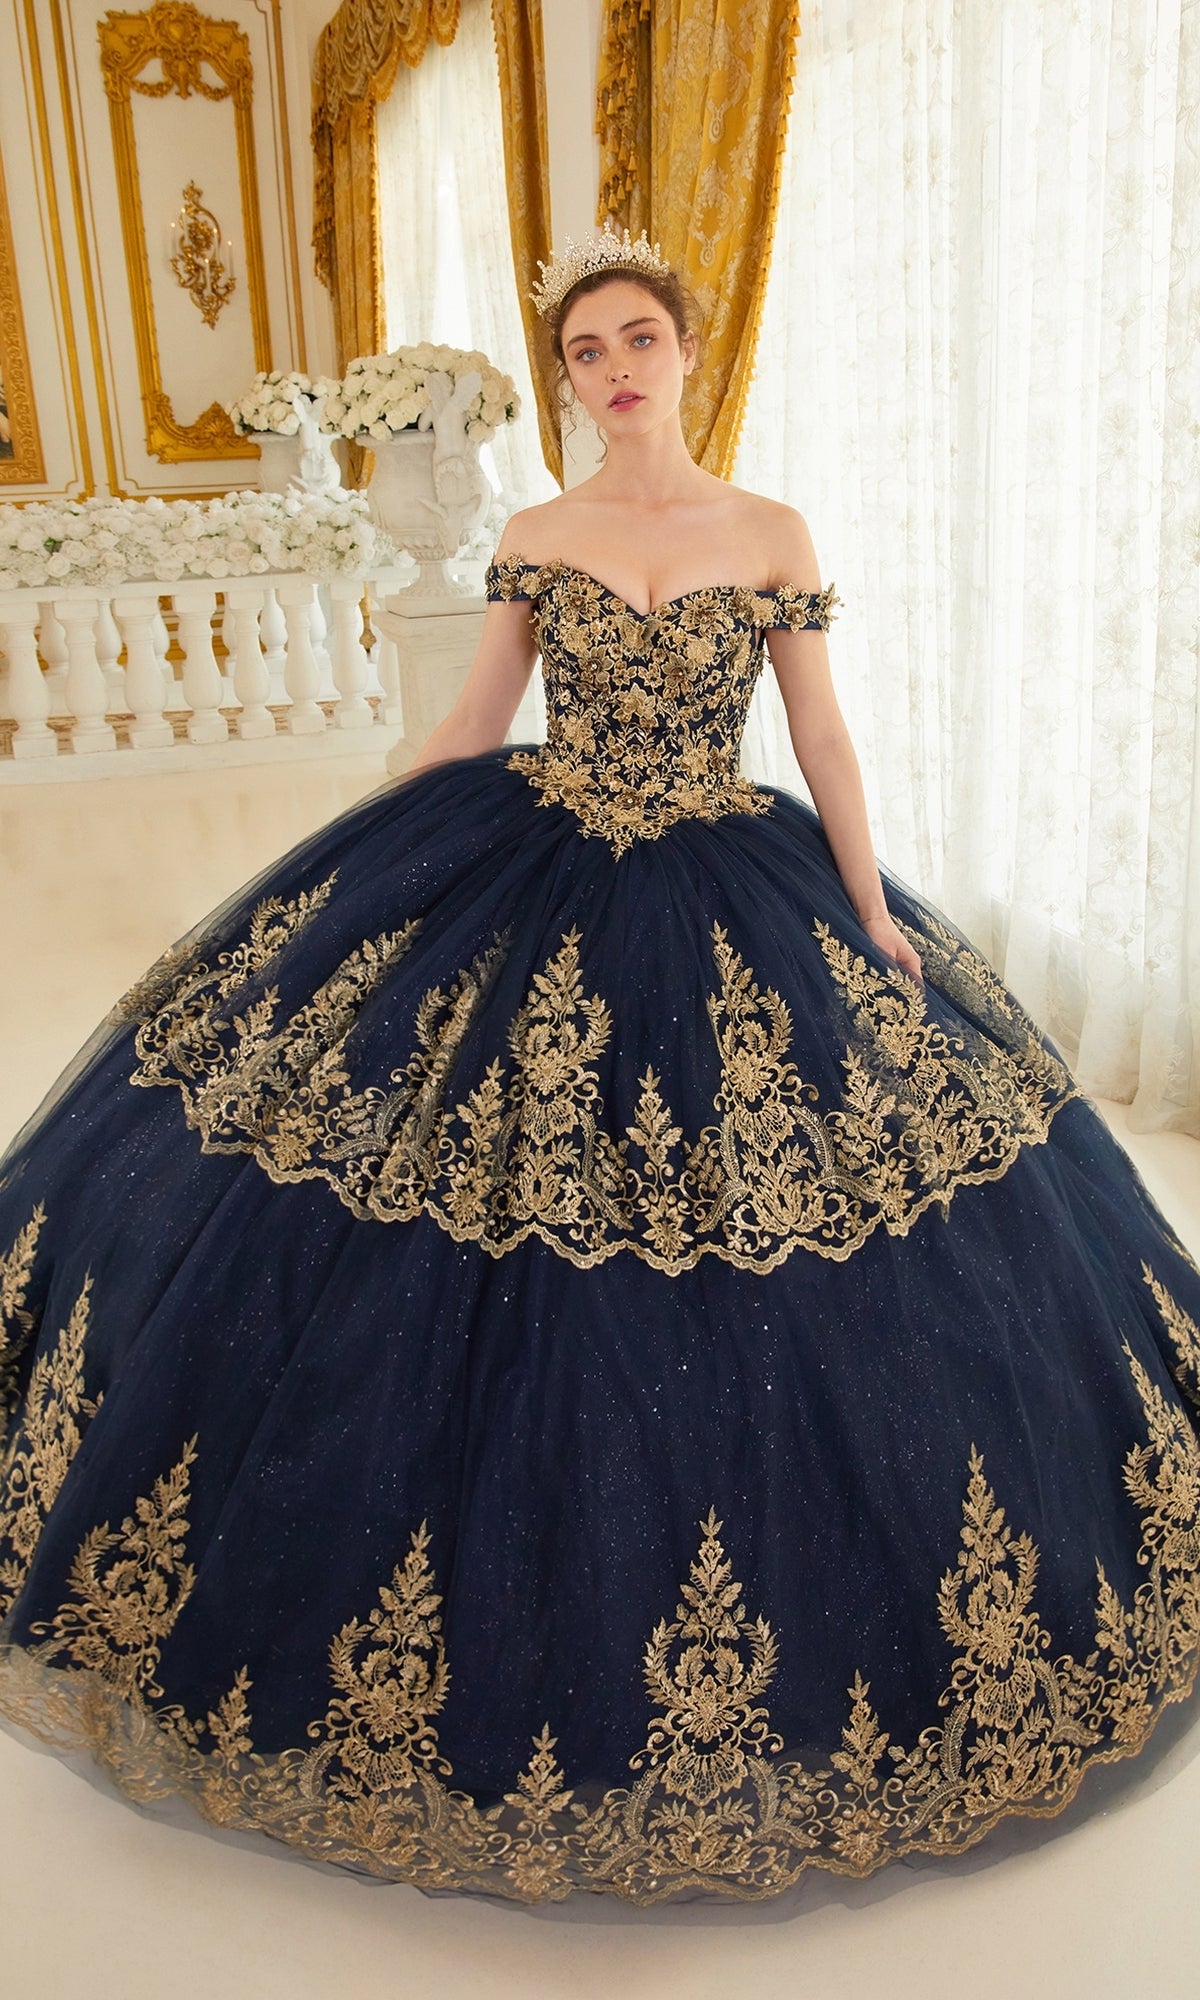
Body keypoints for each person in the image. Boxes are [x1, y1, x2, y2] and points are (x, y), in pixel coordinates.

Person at [0, 226, 1198, 1908]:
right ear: (566, 377)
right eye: (584, 352)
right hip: (537, 867)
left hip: (733, 880)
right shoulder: (540, 533)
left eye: (638, 338)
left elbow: (824, 734)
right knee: (447, 1195)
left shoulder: (768, 531)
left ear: (687, 349)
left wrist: (869, 910)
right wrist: (356, 879)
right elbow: (474, 725)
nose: (615, 368)